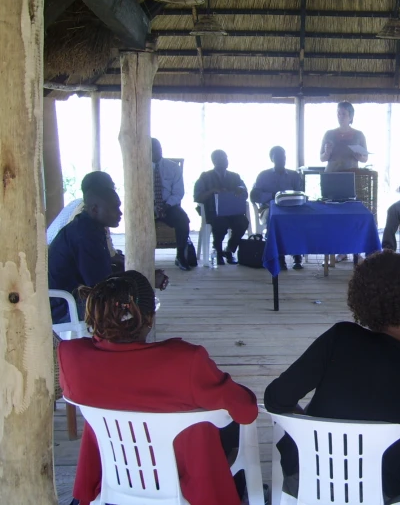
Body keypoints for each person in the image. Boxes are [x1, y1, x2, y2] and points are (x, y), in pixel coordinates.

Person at [264, 251, 400, 502]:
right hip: (380, 490)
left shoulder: (340, 338)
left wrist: (312, 427)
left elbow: (275, 399)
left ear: (362, 301)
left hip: (308, 477)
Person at [58, 270, 258, 505]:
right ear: (149, 317)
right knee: (226, 424)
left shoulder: (71, 356)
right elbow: (246, 411)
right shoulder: (185, 361)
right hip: (184, 483)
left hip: (113, 476)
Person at [48, 184, 168, 324]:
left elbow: (102, 273)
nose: (120, 213)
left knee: (138, 294)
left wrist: (145, 276)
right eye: (114, 208)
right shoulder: (85, 236)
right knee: (140, 301)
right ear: (95, 209)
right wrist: (144, 281)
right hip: (65, 306)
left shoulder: (89, 226)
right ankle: (127, 341)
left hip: (73, 297)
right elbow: (101, 286)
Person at [46, 171, 121, 268]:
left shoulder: (79, 205)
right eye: (112, 188)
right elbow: (107, 256)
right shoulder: (94, 217)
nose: (114, 192)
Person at [251, 146, 304, 270]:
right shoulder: (263, 176)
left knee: (300, 220)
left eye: (283, 157)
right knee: (274, 219)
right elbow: (254, 195)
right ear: (272, 159)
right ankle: (279, 257)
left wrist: (289, 196)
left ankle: (297, 256)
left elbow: (301, 193)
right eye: (278, 157)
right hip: (269, 208)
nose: (282, 160)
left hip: (291, 208)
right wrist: (273, 196)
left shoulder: (294, 175)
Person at [194, 150, 249, 266]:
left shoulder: (235, 176)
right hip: (213, 211)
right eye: (220, 160)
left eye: (225, 159)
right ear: (214, 161)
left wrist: (240, 189)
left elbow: (245, 194)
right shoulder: (205, 177)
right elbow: (198, 197)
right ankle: (218, 251)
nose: (223, 162)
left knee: (243, 223)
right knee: (220, 223)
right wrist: (212, 191)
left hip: (232, 211)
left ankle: (229, 249)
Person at [151, 138, 192, 271]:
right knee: (136, 221)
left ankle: (180, 256)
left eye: (158, 148)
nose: (157, 152)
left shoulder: (173, 167)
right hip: (147, 206)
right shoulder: (139, 167)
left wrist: (167, 205)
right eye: (152, 149)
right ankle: (142, 257)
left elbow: (179, 192)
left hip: (168, 205)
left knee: (183, 220)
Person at [319, 101, 369, 173]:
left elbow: (365, 158)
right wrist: (327, 153)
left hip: (350, 176)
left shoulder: (359, 135)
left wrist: (360, 157)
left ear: (351, 117)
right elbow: (322, 158)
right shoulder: (329, 134)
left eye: (344, 114)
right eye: (338, 113)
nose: (340, 117)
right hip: (331, 174)